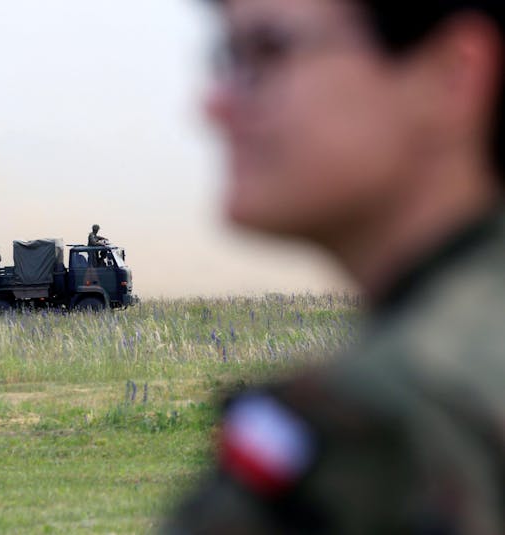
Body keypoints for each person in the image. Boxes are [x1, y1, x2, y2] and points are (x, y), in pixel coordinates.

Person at [165, 0, 505, 533]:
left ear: (451, 74)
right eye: (227, 56)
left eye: (267, 50)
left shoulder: (372, 429)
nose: (214, 105)